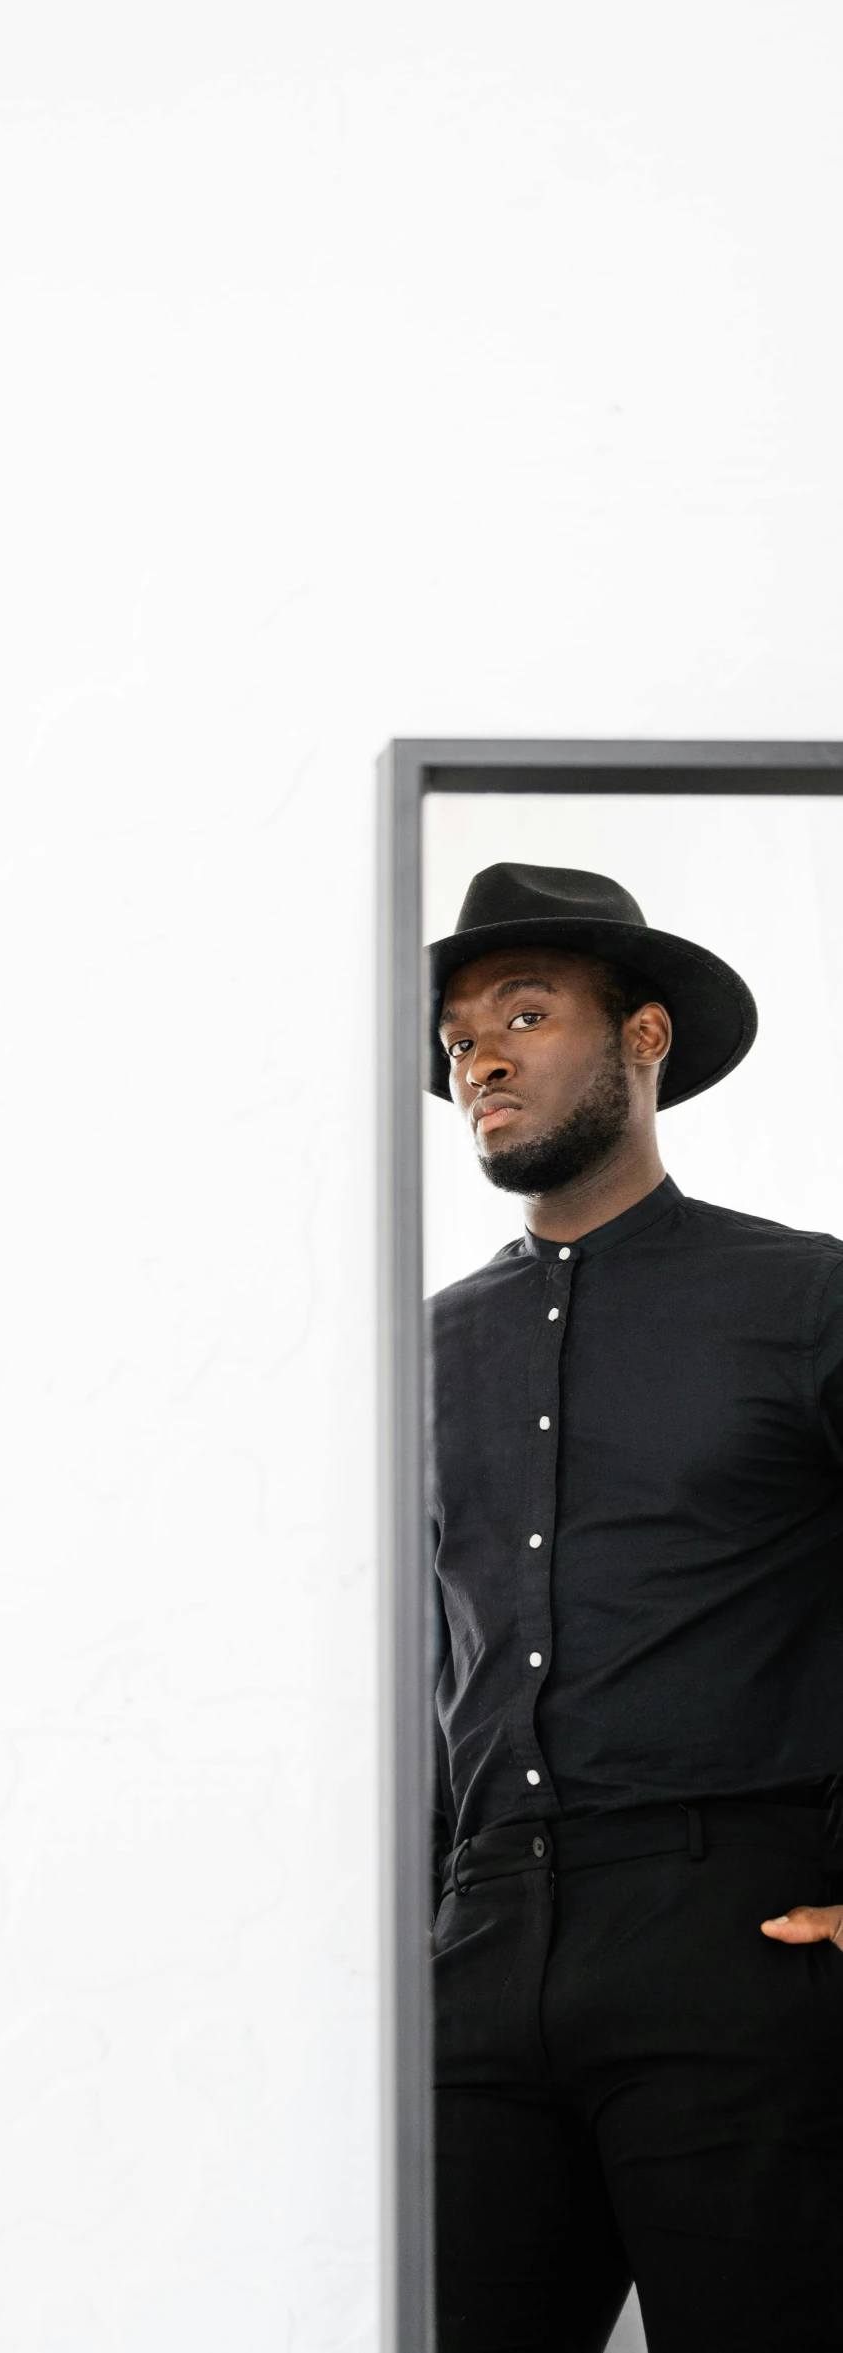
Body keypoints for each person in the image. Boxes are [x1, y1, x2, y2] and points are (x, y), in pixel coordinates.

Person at [427, 862, 843, 2353]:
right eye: (460, 1034)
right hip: (471, 1954)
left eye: (525, 1013)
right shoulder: (409, 1354)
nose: (478, 1053)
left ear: (645, 1038)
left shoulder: (806, 1301)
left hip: (736, 1939)